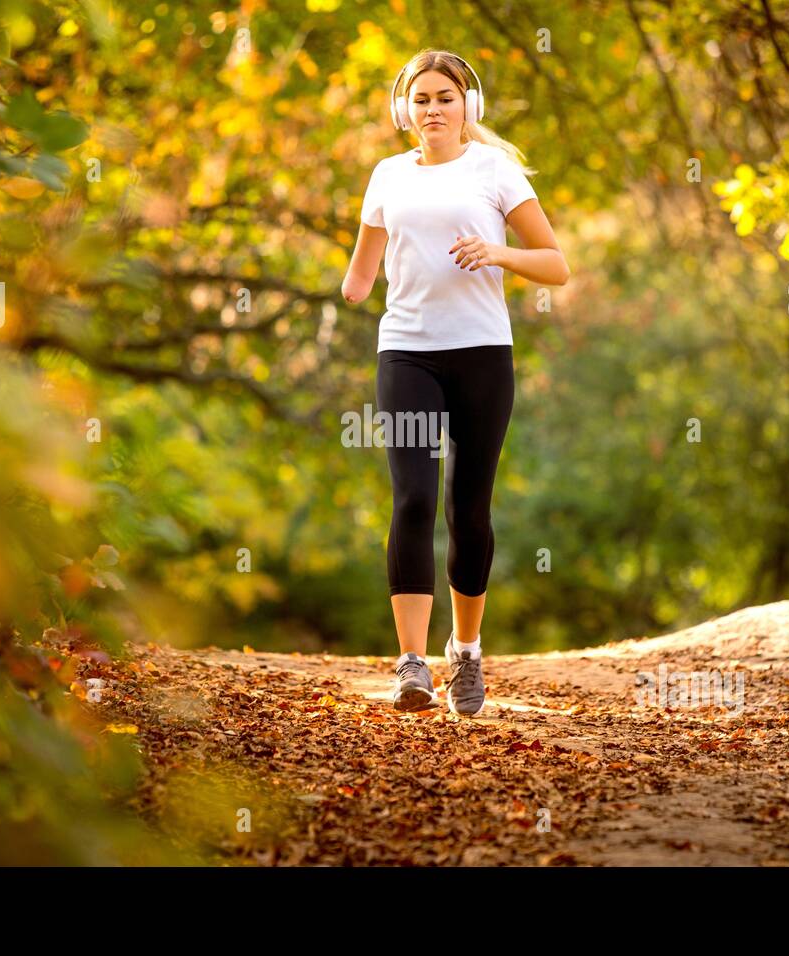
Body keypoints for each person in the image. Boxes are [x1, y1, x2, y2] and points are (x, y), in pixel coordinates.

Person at [342, 48, 569, 716]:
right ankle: (411, 664)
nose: (433, 108)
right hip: (407, 354)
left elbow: (556, 265)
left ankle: (465, 654)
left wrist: (498, 251)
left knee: (467, 510)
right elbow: (362, 271)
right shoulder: (386, 176)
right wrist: (352, 292)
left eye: (445, 96)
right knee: (412, 499)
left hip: (481, 356)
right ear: (402, 110)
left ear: (469, 105)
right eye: (421, 99)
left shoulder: (495, 171)